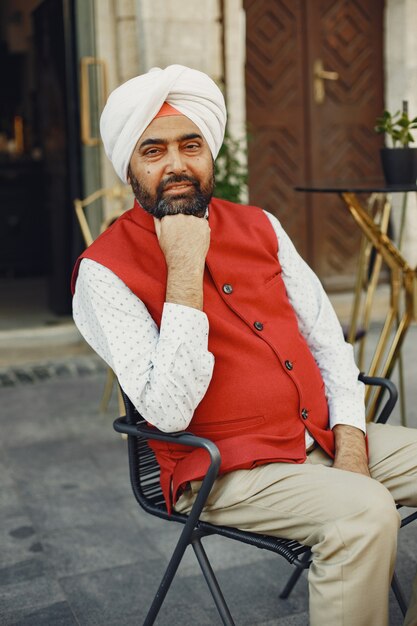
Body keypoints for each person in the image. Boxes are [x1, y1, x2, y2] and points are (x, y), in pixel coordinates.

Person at [72, 64, 417, 626]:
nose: (178, 164)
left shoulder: (261, 225)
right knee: (365, 513)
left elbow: (328, 341)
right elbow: (167, 410)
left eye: (191, 145)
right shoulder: (102, 272)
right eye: (153, 151)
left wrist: (351, 445)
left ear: (210, 154)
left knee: (366, 495)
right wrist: (183, 266)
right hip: (220, 471)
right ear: (129, 166)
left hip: (319, 435)